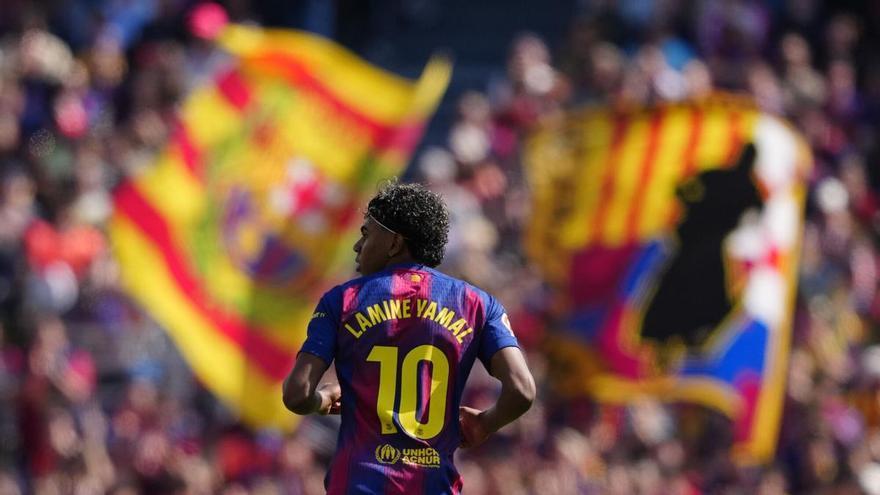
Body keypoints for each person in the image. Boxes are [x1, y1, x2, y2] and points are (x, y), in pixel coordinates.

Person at [282, 181, 535, 494]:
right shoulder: (478, 304)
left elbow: (296, 394)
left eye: (366, 234)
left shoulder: (342, 300)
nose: (357, 246)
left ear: (394, 242)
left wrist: (322, 400)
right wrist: (486, 423)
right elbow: (522, 389)